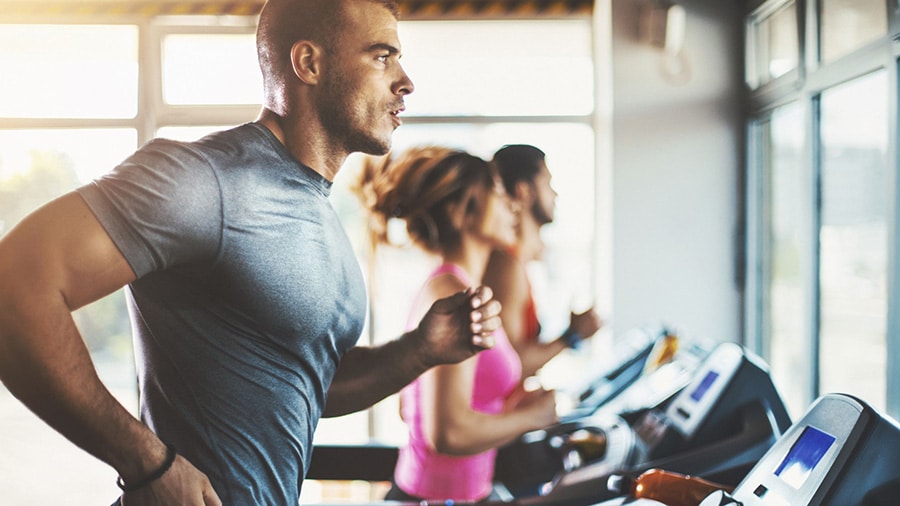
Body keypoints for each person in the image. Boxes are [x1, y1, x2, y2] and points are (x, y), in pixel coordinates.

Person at [0, 1, 504, 505]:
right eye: (381, 57)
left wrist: (420, 349)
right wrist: (145, 460)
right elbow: (13, 286)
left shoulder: (322, 215)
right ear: (308, 64)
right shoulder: (206, 179)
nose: (405, 82)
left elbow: (307, 387)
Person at [355, 146, 559, 502]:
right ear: (461, 212)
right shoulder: (451, 294)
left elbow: (419, 408)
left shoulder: (463, 288)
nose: (512, 205)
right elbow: (446, 433)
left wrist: (510, 410)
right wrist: (533, 417)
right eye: (496, 193)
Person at [483, 144, 603, 379]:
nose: (555, 195)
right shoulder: (506, 265)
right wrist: (572, 336)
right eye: (547, 183)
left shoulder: (521, 261)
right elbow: (510, 366)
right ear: (524, 191)